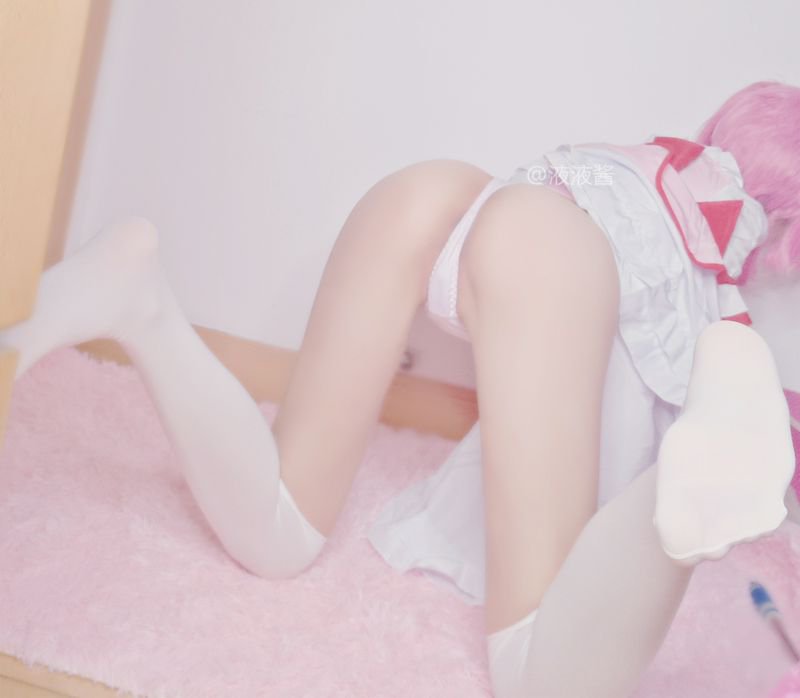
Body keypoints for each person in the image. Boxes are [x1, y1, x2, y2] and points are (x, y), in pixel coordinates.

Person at [1, 80, 798, 697]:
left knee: (280, 531)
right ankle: (692, 461)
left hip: (440, 193)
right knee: (541, 675)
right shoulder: (707, 277)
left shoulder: (645, 169)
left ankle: (143, 305)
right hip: (547, 243)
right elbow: (614, 434)